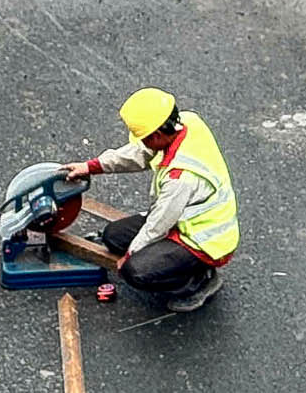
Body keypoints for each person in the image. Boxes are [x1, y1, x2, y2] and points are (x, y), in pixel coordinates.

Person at [59, 89, 238, 311]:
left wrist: (131, 255)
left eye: (144, 139)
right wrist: (92, 166)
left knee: (135, 271)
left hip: (203, 241)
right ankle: (170, 262)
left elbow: (158, 225)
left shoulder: (180, 178)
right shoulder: (188, 122)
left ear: (156, 136)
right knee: (112, 237)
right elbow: (138, 154)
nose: (143, 143)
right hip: (179, 218)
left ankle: (199, 282)